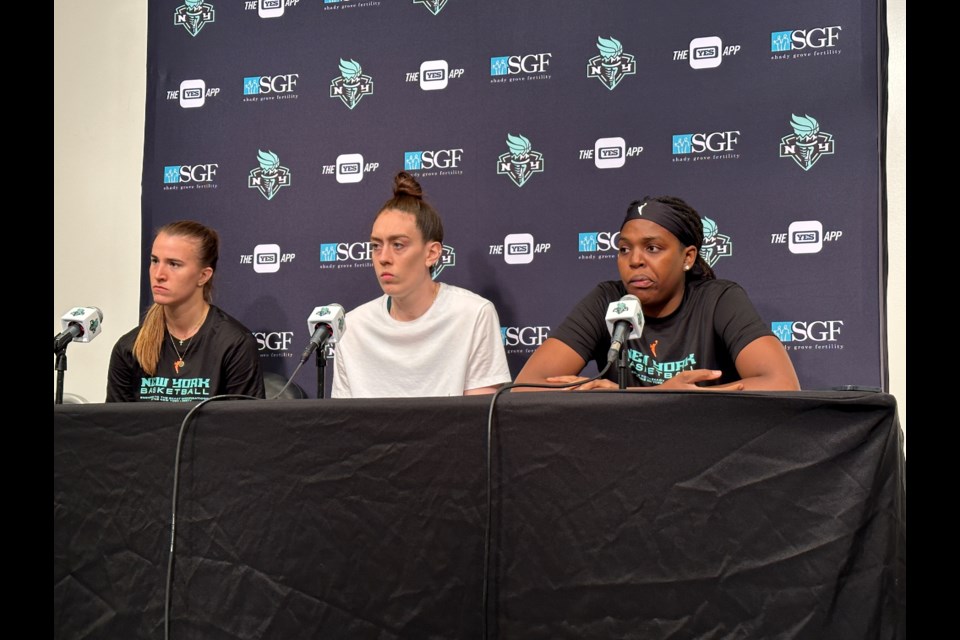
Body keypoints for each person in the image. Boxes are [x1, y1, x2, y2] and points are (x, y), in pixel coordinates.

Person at [515, 196, 800, 391]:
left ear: (687, 257)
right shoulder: (607, 300)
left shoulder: (718, 300)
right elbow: (526, 387)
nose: (634, 260)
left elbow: (782, 383)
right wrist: (639, 398)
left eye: (652, 248)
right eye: (624, 249)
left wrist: (658, 396)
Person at [332, 172, 512, 398]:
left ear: (432, 253)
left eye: (398, 245)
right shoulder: (351, 327)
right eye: (376, 246)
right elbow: (344, 425)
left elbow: (479, 420)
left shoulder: (473, 314)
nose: (383, 257)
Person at [106, 220, 265, 402]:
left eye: (174, 264)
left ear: (203, 276)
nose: (159, 274)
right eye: (154, 261)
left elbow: (246, 426)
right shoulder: (129, 347)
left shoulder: (234, 344)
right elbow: (116, 426)